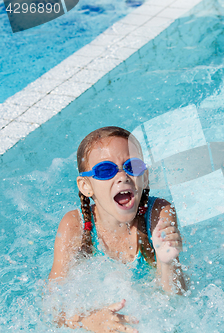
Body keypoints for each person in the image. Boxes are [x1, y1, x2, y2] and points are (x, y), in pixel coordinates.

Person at [48, 126, 185, 333]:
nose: (123, 176)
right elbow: (53, 306)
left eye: (132, 166)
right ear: (86, 186)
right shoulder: (74, 225)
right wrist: (88, 320)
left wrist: (167, 263)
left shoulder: (158, 213)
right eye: (106, 170)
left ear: (144, 177)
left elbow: (177, 301)